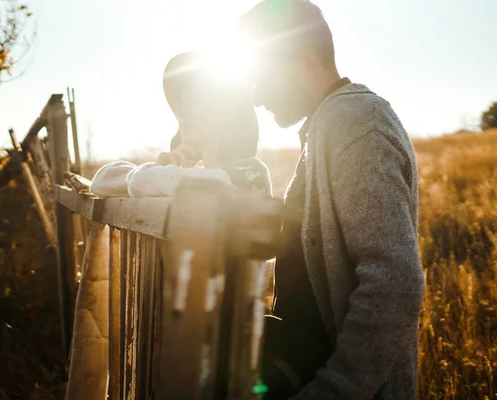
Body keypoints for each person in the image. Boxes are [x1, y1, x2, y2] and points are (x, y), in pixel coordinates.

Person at [239, 1, 425, 399]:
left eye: (262, 79)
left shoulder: (355, 122)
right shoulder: (328, 124)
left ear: (305, 62)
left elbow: (395, 282)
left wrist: (333, 389)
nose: (256, 97)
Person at [90, 52, 272, 199]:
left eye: (196, 100)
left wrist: (161, 170)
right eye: (183, 103)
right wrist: (175, 160)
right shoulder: (204, 177)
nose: (183, 109)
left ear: (227, 115)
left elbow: (117, 181)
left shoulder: (247, 175)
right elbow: (100, 181)